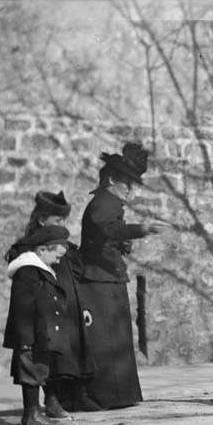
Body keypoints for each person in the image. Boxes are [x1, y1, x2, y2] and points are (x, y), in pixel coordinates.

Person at [78, 142, 166, 409]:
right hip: (98, 280)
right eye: (126, 183)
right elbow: (109, 229)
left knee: (113, 338)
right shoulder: (104, 202)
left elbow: (107, 235)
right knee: (106, 339)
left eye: (133, 184)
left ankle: (117, 396)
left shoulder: (109, 202)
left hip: (106, 276)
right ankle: (106, 396)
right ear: (112, 179)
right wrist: (142, 228)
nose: (131, 189)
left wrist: (120, 243)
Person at [5, 190, 97, 414]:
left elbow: (74, 281)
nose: (62, 224)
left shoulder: (60, 246)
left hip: (65, 309)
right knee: (42, 358)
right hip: (43, 315)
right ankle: (50, 400)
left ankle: (69, 396)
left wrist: (82, 306)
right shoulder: (30, 250)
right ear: (41, 220)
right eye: (57, 220)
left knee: (62, 353)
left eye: (64, 220)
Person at [3, 225, 72, 425]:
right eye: (57, 257)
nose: (58, 261)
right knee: (31, 373)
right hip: (30, 334)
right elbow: (22, 306)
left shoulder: (39, 269)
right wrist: (25, 338)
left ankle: (34, 413)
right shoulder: (28, 271)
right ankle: (31, 415)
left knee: (38, 371)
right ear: (42, 250)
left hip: (41, 332)